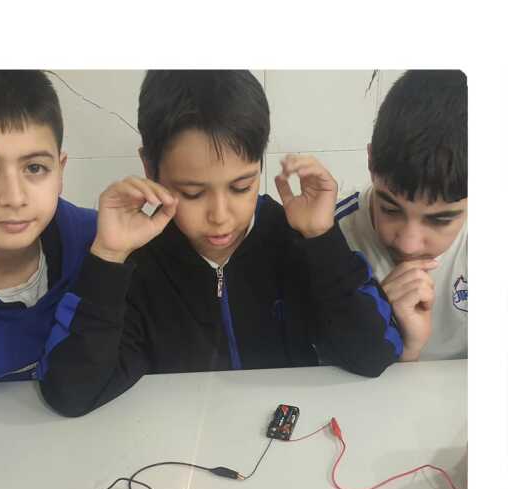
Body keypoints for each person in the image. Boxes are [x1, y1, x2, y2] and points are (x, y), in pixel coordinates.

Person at [39, 70, 402, 418]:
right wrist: (108, 258)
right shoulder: (136, 264)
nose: (220, 216)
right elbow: (71, 394)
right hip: (173, 446)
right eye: (193, 193)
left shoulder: (295, 242)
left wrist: (323, 239)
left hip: (281, 440)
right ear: (150, 168)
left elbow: (375, 354)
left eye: (241, 187)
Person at [0, 70, 97, 489]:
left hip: (89, 473)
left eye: (35, 167)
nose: (13, 197)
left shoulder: (101, 244)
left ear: (60, 170)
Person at [336, 70, 467, 361]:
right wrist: (399, 344)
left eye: (440, 220)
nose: (408, 244)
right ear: (371, 162)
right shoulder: (331, 239)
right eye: (390, 209)